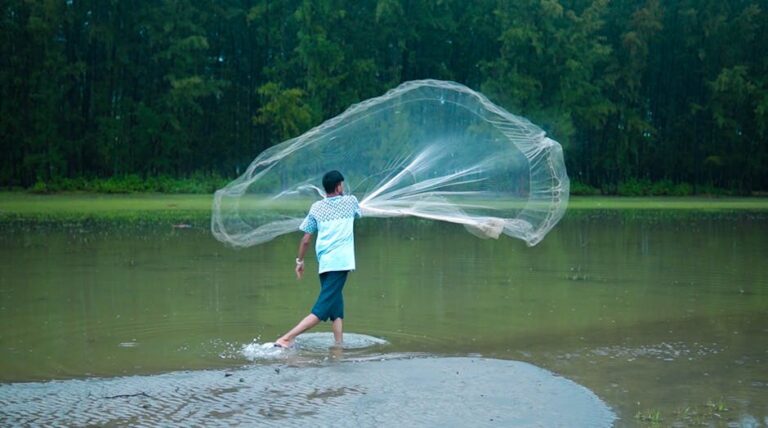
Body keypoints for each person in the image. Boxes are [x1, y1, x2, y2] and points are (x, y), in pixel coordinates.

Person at [275, 170, 361, 348]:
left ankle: (338, 346)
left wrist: (299, 261)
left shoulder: (316, 208)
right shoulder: (351, 202)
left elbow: (306, 239)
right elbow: (358, 215)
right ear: (338, 187)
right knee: (321, 310)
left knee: (336, 307)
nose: (343, 188)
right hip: (341, 263)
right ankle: (286, 338)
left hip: (325, 264)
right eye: (342, 185)